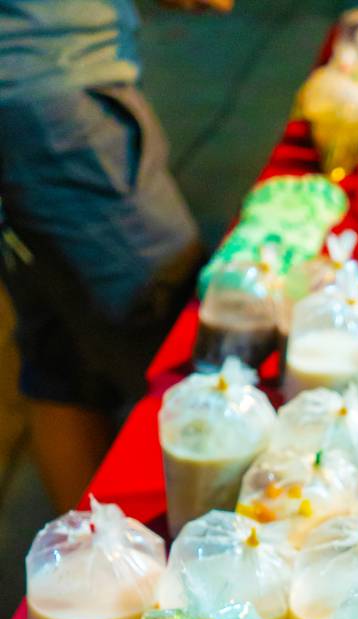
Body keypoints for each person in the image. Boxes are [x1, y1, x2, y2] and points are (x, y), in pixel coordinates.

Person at [0, 0, 233, 511]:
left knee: (60, 357)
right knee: (186, 347)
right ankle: (188, 561)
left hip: (28, 90)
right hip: (56, 99)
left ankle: (91, 564)